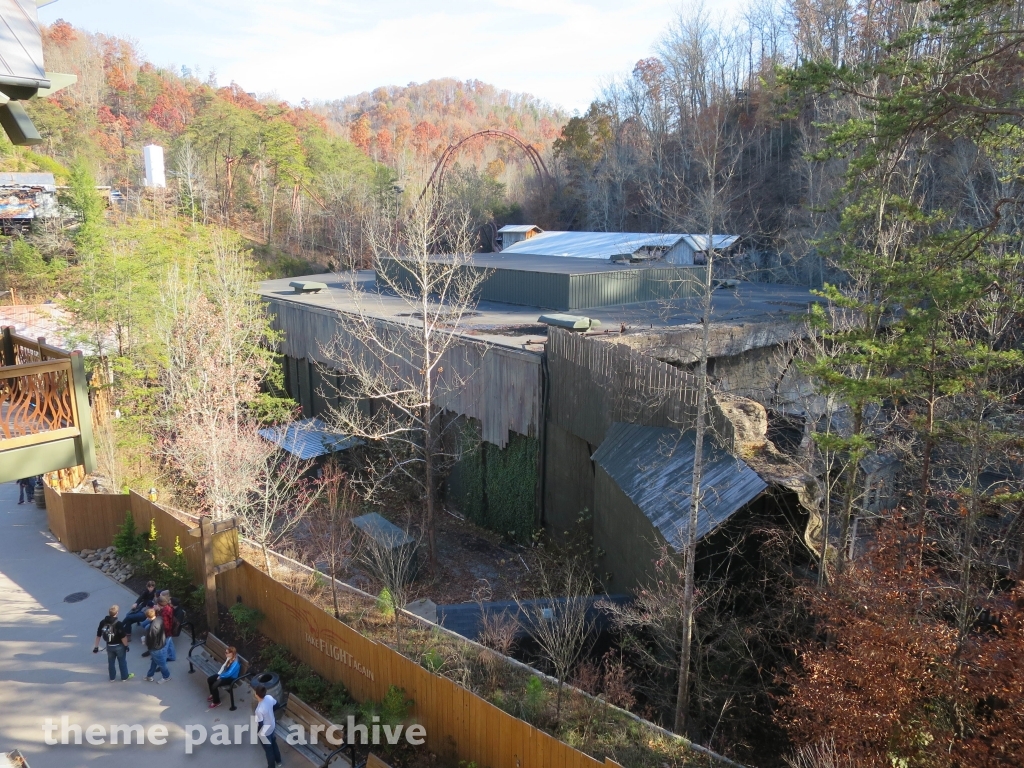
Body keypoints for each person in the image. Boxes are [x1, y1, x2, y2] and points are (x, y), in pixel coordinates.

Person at [93, 605, 134, 682]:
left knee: (111, 662)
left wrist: (96, 647)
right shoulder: (118, 624)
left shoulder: (102, 622)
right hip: (119, 646)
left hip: (109, 646)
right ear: (117, 613)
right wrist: (126, 646)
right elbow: (123, 637)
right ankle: (124, 677)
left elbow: (98, 635)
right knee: (122, 661)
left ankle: (112, 677)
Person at [253, 684, 282, 768]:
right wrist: (270, 711)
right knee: (274, 744)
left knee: (268, 750)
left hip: (265, 732)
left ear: (256, 695)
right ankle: (279, 762)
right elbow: (277, 705)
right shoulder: (269, 697)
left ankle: (271, 766)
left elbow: (261, 725)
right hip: (272, 726)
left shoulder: (259, 710)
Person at [143, 608, 170, 683]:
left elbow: (151, 640)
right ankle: (149, 675)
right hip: (161, 643)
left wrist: (146, 643)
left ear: (148, 617)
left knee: (162, 664)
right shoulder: (160, 618)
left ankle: (166, 676)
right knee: (154, 661)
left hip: (156, 648)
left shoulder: (152, 628)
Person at [156, 592, 176, 662]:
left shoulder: (164, 613)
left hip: (166, 632)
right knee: (170, 644)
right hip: (169, 631)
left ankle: (162, 663)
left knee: (164, 648)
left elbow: (166, 625)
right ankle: (172, 656)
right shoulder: (169, 607)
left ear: (159, 604)